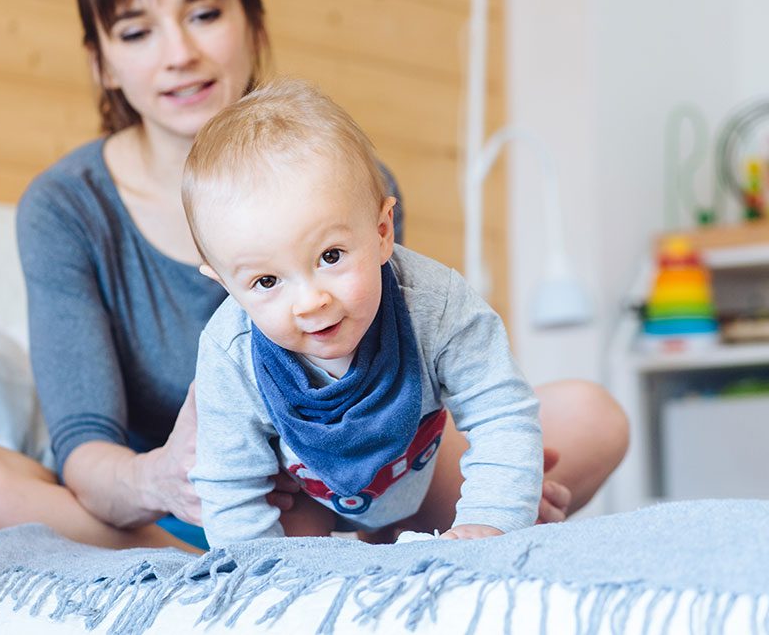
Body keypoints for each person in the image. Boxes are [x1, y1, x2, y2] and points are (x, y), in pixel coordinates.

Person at [0, 0, 628, 552]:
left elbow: (383, 379)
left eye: (205, 13)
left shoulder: (345, 181)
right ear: (102, 63)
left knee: (588, 417)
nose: (179, 54)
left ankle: (370, 554)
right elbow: (84, 443)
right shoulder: (67, 208)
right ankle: (195, 573)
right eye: (137, 31)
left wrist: (496, 494)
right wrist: (167, 476)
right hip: (163, 506)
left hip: (339, 484)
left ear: (251, 20)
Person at [185, 78, 543, 546]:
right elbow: (231, 487)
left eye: (331, 256)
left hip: (421, 480)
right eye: (267, 282)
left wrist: (491, 519)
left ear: (381, 231)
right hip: (307, 500)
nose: (311, 301)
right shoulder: (230, 352)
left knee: (561, 446)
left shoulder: (437, 305)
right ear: (226, 285)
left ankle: (402, 532)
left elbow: (501, 412)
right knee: (283, 546)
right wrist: (256, 572)